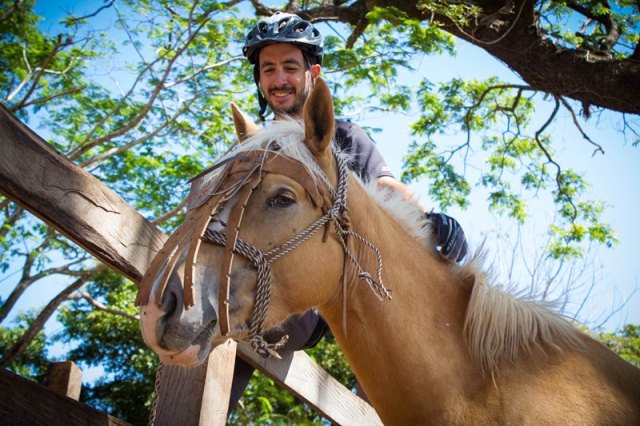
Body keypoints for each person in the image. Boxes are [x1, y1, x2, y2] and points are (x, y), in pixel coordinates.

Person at [226, 12, 468, 413]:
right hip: (268, 275)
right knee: (221, 303)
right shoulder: (254, 147)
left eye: (290, 67)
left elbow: (385, 186)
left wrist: (431, 217)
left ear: (312, 73)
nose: (279, 78)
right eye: (268, 69)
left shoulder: (342, 136)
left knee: (388, 287)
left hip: (333, 282)